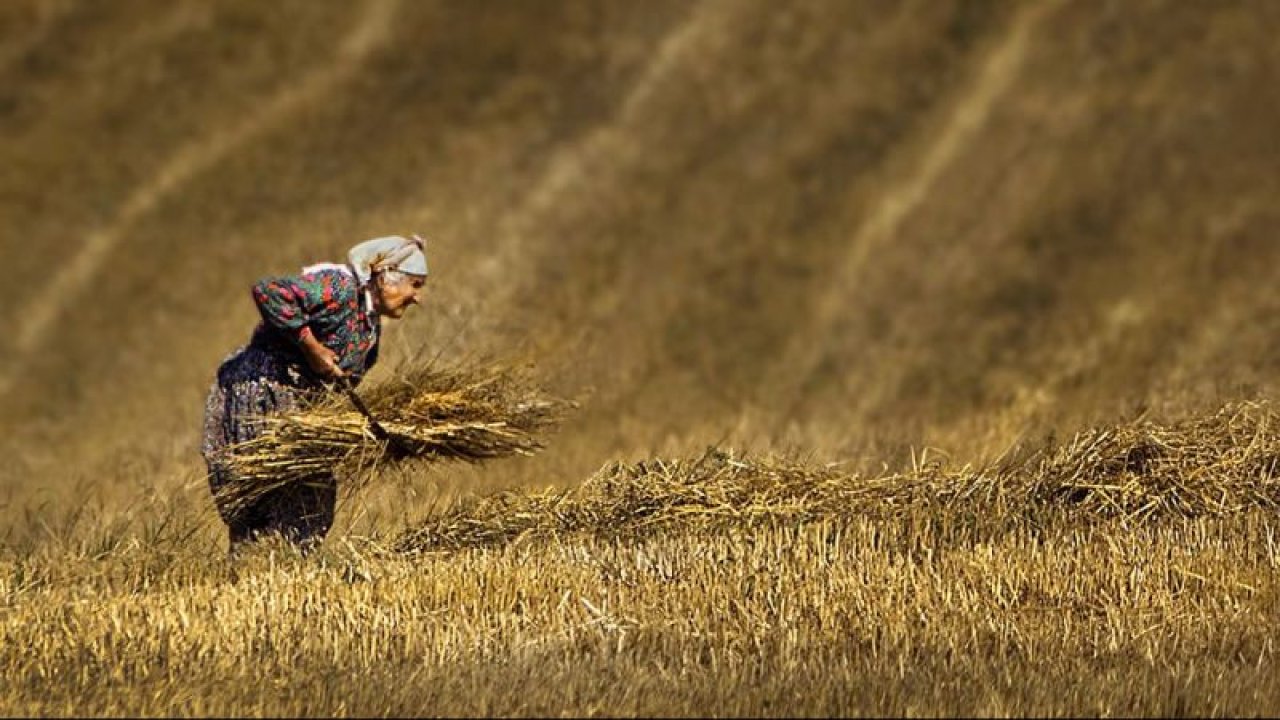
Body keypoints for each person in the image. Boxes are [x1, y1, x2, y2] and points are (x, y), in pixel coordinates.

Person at [201, 234, 428, 554]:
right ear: (385, 274)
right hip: (262, 391)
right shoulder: (338, 287)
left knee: (308, 499)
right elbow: (270, 291)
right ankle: (259, 568)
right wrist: (311, 347)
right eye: (415, 285)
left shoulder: (369, 324)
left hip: (297, 402)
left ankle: (278, 572)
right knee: (273, 493)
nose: (418, 297)